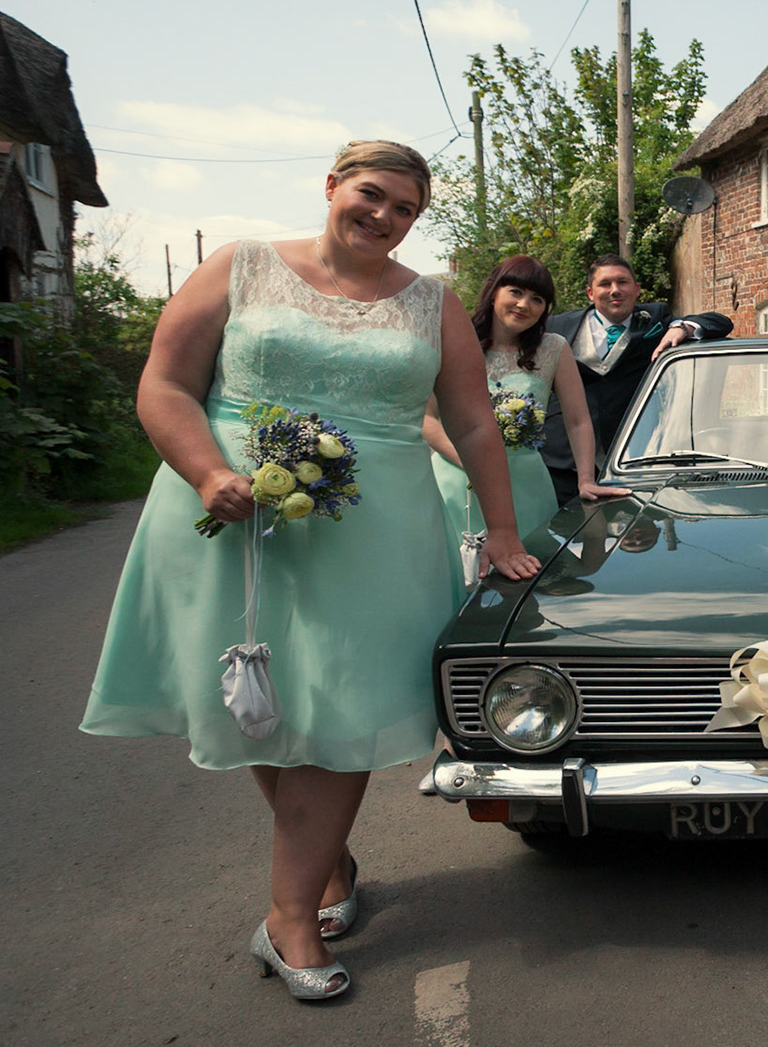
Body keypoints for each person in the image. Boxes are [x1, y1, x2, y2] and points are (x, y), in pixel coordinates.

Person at [80, 140, 540, 1002]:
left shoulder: (432, 302)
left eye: (406, 209)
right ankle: (324, 866)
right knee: (264, 701)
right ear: (331, 186)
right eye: (371, 194)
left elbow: (475, 422)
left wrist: (503, 533)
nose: (385, 216)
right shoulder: (240, 266)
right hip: (237, 516)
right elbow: (165, 385)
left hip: (377, 531)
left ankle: (287, 918)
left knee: (344, 705)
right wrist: (206, 473)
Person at [422, 255, 627, 574]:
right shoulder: (454, 342)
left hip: (526, 486)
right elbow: (428, 420)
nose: (524, 305)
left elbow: (577, 420)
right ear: (494, 292)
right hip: (455, 482)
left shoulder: (553, 348)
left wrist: (586, 479)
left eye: (537, 299)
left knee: (529, 579)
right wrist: (475, 464)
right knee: (453, 575)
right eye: (516, 292)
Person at [541, 255, 733, 504]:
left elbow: (721, 322)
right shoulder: (557, 324)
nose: (615, 290)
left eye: (622, 282)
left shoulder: (656, 318)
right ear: (590, 292)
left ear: (637, 289)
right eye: (605, 284)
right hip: (563, 460)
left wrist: (682, 328)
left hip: (630, 457)